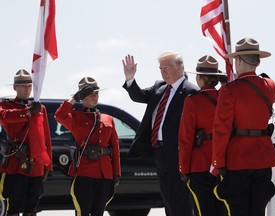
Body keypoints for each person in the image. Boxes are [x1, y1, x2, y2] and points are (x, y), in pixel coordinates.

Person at [122, 52, 198, 216]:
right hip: (160, 152)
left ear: (180, 68)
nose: (163, 71)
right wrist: (130, 78)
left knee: (181, 200)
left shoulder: (191, 92)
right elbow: (138, 96)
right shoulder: (159, 87)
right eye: (160, 68)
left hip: (179, 154)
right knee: (168, 198)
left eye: (167, 67)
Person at [212, 37, 275, 216]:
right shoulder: (269, 86)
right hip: (263, 157)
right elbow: (274, 95)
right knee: (258, 211)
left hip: (238, 159)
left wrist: (218, 162)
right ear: (257, 61)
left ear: (238, 60)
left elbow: (221, 130)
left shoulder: (229, 90)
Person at [54, 77, 121, 216]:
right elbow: (59, 116)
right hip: (84, 172)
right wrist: (74, 99)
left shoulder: (107, 119)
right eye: (90, 94)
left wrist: (116, 173)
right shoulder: (75, 117)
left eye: (96, 93)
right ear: (82, 97)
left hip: (105, 173)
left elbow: (115, 148)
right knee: (82, 211)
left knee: (99, 212)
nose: (94, 96)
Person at [178, 55, 226, 216]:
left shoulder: (192, 101)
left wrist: (184, 169)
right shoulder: (226, 98)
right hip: (225, 164)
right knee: (224, 210)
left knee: (203, 211)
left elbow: (185, 139)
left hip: (200, 165)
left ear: (198, 78)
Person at [0, 69, 52, 216]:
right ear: (15, 87)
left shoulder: (40, 108)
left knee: (32, 208)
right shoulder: (6, 106)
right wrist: (28, 112)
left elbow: (46, 138)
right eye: (23, 86)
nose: (26, 88)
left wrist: (48, 164)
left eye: (29, 85)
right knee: (14, 207)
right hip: (16, 164)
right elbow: (4, 117)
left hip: (36, 164)